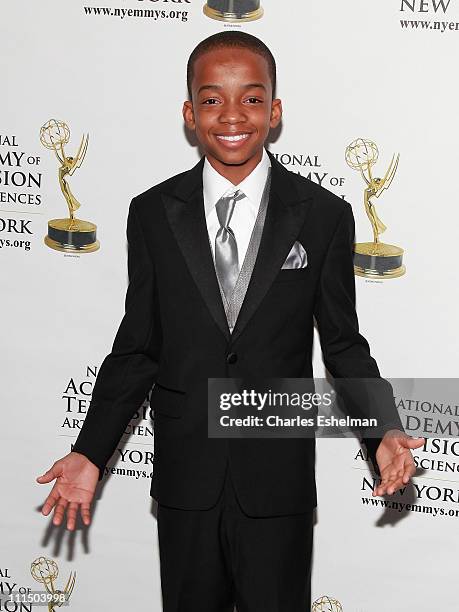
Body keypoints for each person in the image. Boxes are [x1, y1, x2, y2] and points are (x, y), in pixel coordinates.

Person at [36, 31, 424, 611]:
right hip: (187, 478)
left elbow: (343, 345)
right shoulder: (151, 213)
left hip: (276, 480)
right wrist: (91, 451)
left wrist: (382, 430)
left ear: (276, 110)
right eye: (213, 100)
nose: (233, 116)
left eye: (252, 98)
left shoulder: (323, 215)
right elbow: (137, 347)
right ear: (190, 114)